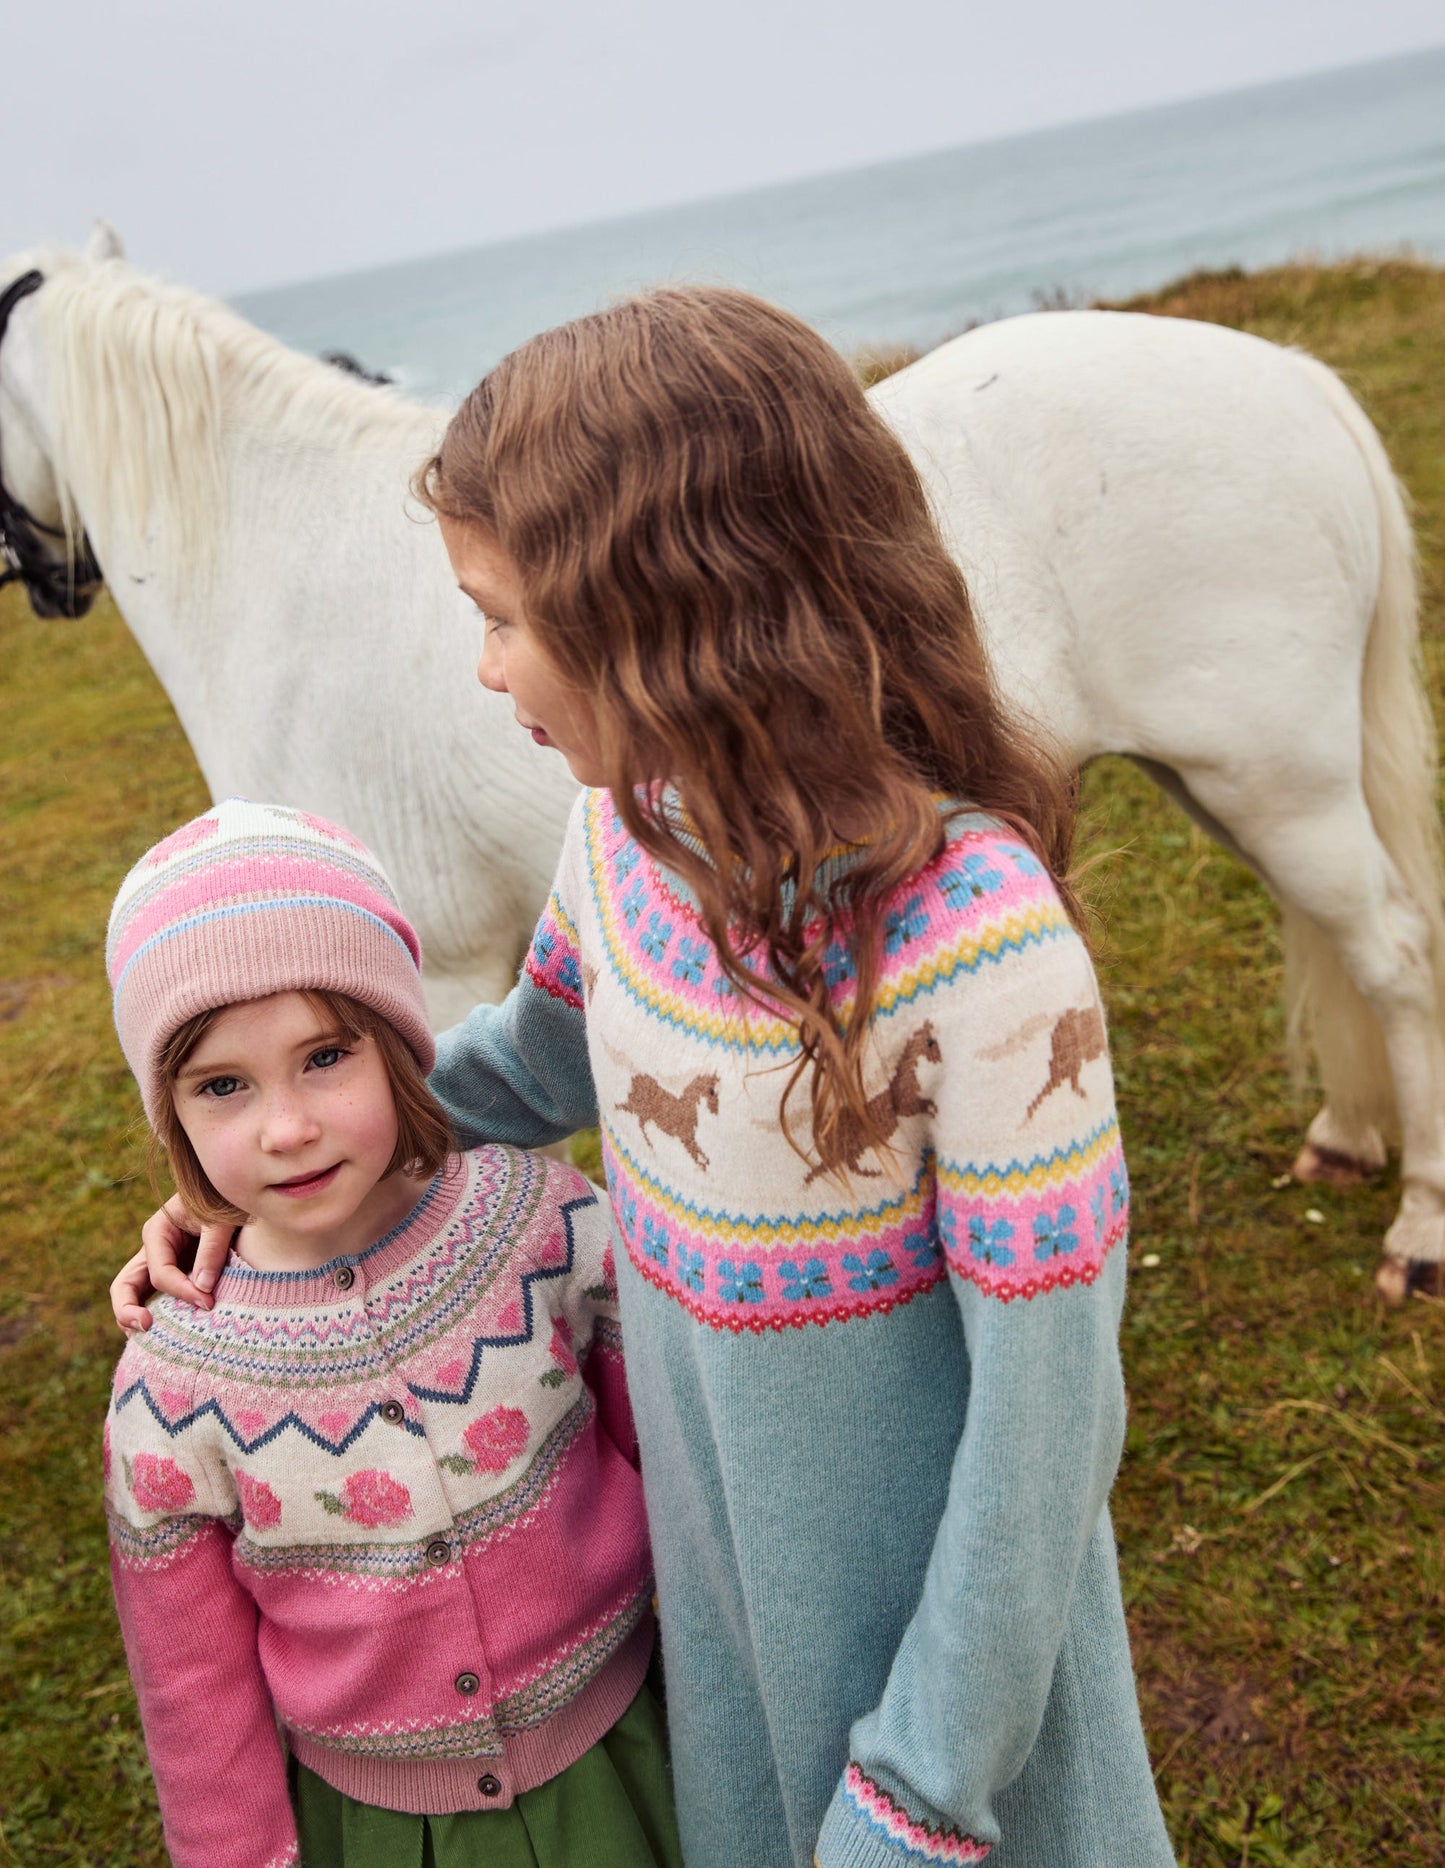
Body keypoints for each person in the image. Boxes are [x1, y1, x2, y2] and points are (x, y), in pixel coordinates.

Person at [116, 288, 1177, 1867]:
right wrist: (252, 1196)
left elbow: (1046, 1433)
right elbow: (522, 1066)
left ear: (668, 616)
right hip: (726, 1630)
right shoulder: (623, 840)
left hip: (951, 1706)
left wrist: (923, 1785)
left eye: (500, 617)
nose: (483, 670)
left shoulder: (986, 958)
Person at [102, 798, 680, 1868]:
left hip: (631, 1757)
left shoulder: (544, 1226)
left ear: (401, 1047)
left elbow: (678, 1460)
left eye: (326, 1055)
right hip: (382, 1833)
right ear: (169, 1111)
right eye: (223, 1084)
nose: (287, 1125)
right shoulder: (172, 1385)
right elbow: (193, 1687)